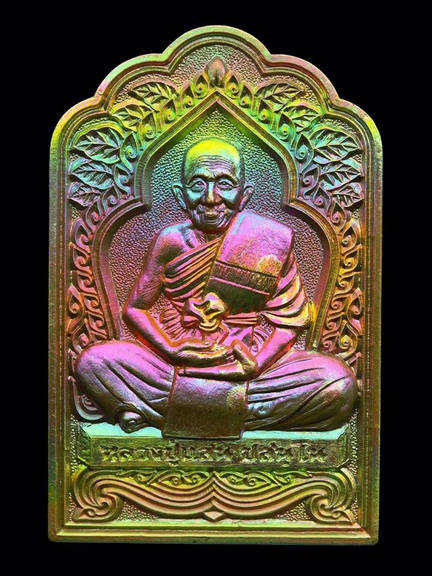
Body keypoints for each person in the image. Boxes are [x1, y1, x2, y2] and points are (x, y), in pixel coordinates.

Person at [76, 138, 357, 434]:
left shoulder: (271, 240)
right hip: (175, 363)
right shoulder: (170, 241)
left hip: (246, 366)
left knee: (337, 382)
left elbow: (290, 323)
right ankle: (227, 411)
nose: (211, 198)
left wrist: (255, 364)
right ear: (181, 195)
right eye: (198, 184)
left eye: (225, 184)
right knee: (92, 362)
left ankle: (165, 411)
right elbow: (135, 309)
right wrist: (171, 349)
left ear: (244, 195)